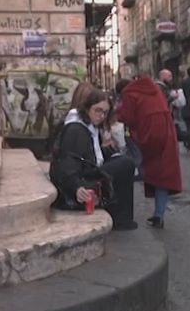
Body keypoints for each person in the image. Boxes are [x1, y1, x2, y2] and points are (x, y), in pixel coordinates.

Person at [49, 89, 138, 230]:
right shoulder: (76, 129)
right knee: (125, 164)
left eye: (105, 112)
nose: (101, 116)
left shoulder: (90, 127)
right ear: (87, 108)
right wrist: (76, 186)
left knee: (123, 161)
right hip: (77, 183)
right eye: (98, 110)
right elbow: (67, 163)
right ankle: (121, 219)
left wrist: (108, 149)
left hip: (86, 171)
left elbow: (91, 154)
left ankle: (121, 217)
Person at [119, 75, 183, 228]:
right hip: (166, 132)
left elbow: (128, 118)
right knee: (163, 175)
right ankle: (159, 214)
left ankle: (123, 214)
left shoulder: (128, 93)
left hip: (147, 132)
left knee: (129, 170)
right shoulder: (154, 89)